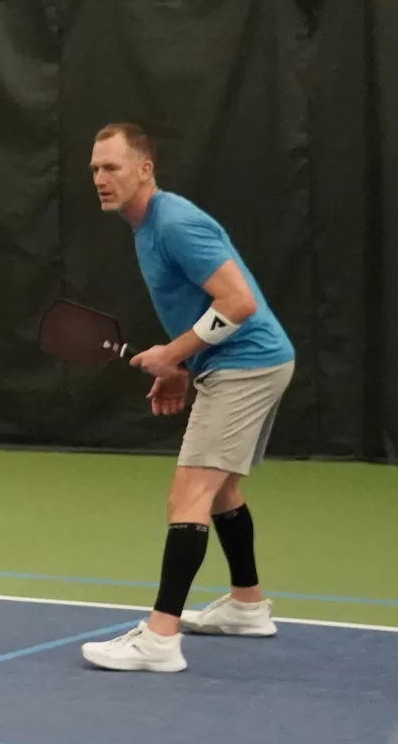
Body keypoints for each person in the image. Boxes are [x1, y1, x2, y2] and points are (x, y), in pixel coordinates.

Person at [80, 122, 295, 672]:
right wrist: (182, 363)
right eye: (96, 170)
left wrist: (173, 354)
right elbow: (209, 306)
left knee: (188, 496)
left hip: (246, 364)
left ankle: (159, 639)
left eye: (113, 167)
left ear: (145, 168)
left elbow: (239, 303)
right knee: (219, 491)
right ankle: (248, 606)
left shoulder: (174, 222)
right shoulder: (144, 227)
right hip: (237, 362)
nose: (101, 179)